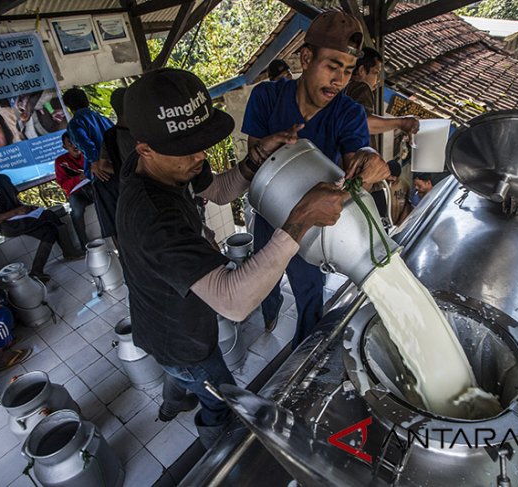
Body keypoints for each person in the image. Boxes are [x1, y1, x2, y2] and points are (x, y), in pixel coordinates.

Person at [118, 68, 348, 447]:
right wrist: (302, 217)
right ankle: (217, 452)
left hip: (168, 319)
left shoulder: (169, 161)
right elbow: (235, 300)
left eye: (201, 143)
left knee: (180, 376)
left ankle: (171, 403)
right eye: (189, 150)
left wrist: (257, 156)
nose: (200, 155)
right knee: (219, 396)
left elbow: (219, 191)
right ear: (145, 148)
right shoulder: (152, 218)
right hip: (180, 338)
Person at [242, 11, 390, 342]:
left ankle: (304, 353)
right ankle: (270, 313)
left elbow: (355, 165)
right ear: (306, 58)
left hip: (313, 230)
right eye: (332, 67)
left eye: (348, 72)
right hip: (270, 213)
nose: (339, 81)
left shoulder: (348, 112)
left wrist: (368, 164)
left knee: (311, 293)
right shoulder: (266, 98)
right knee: (264, 279)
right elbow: (256, 164)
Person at [0, 149, 66, 283]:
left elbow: (16, 201)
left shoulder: (3, 179)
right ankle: (70, 252)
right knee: (49, 215)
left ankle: (36, 272)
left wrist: (28, 208)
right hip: (6, 225)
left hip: (22, 218)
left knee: (49, 231)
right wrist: (14, 213)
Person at [343, 47, 419, 152]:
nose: (378, 80)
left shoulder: (345, 88)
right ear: (361, 70)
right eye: (375, 73)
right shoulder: (361, 87)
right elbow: (364, 123)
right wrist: (401, 122)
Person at [92, 88, 134, 250]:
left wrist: (121, 170)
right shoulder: (142, 131)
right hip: (146, 187)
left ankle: (125, 255)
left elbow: (102, 166)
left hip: (123, 190)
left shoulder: (110, 135)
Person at [63, 87, 114, 179]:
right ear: (87, 101)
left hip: (101, 171)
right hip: (117, 163)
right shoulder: (102, 118)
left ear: (68, 106)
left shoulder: (75, 123)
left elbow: (85, 144)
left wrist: (94, 162)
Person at [55, 133, 94, 248]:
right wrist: (79, 178)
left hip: (93, 188)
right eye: (70, 143)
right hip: (77, 193)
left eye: (76, 142)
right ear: (64, 147)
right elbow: (64, 185)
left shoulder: (88, 155)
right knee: (76, 212)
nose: (74, 146)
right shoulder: (61, 161)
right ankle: (85, 245)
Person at [371, 160, 412, 227]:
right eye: (391, 175)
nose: (393, 179)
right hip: (381, 224)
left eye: (395, 176)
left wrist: (399, 225)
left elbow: (407, 205)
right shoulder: (377, 184)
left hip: (396, 224)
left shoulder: (404, 185)